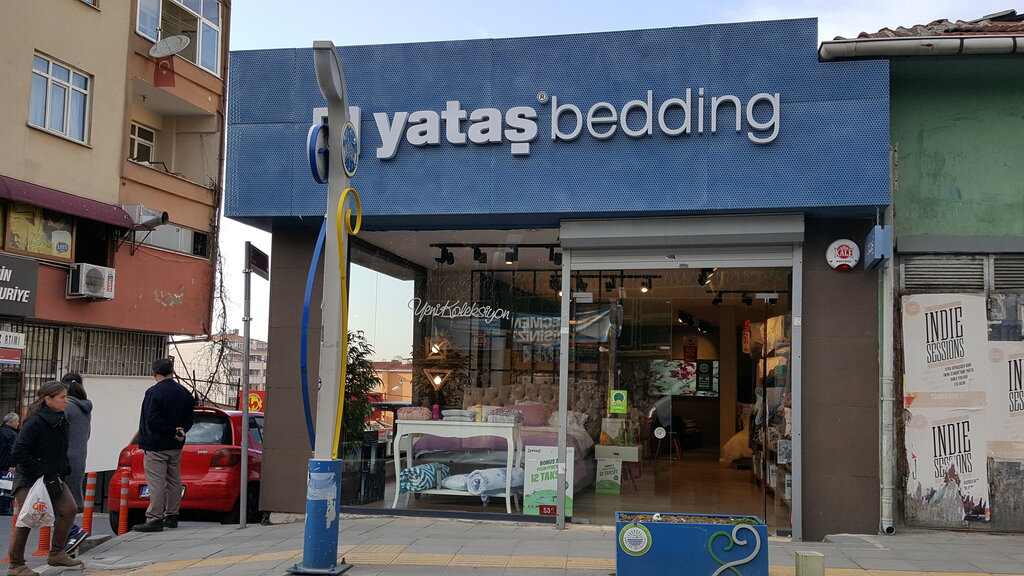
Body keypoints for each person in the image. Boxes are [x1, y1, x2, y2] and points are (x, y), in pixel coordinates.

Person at [7, 381, 82, 575]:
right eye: (62, 397)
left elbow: (60, 449)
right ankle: (16, 565)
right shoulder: (35, 422)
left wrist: (63, 467)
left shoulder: (60, 418)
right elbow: (19, 450)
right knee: (29, 517)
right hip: (29, 478)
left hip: (53, 477)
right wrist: (40, 469)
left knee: (69, 509)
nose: (66, 401)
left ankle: (57, 553)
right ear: (48, 399)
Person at [134, 358, 194, 532]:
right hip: (176, 446)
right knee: (174, 481)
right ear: (172, 372)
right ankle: (172, 515)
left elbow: (152, 418)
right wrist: (180, 431)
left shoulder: (153, 392)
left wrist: (170, 431)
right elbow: (190, 417)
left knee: (156, 483)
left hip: (156, 445)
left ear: (154, 373)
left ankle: (155, 518)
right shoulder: (184, 392)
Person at [60, 372, 92, 554]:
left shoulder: (67, 407)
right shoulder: (85, 408)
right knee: (68, 503)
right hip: (79, 459)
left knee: (57, 503)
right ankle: (67, 547)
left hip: (63, 460)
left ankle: (73, 534)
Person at [0, 412, 20, 515]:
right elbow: (12, 451)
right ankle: (4, 509)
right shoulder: (12, 434)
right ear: (11, 422)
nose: (18, 423)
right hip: (6, 466)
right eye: (17, 421)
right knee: (6, 488)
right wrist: (12, 465)